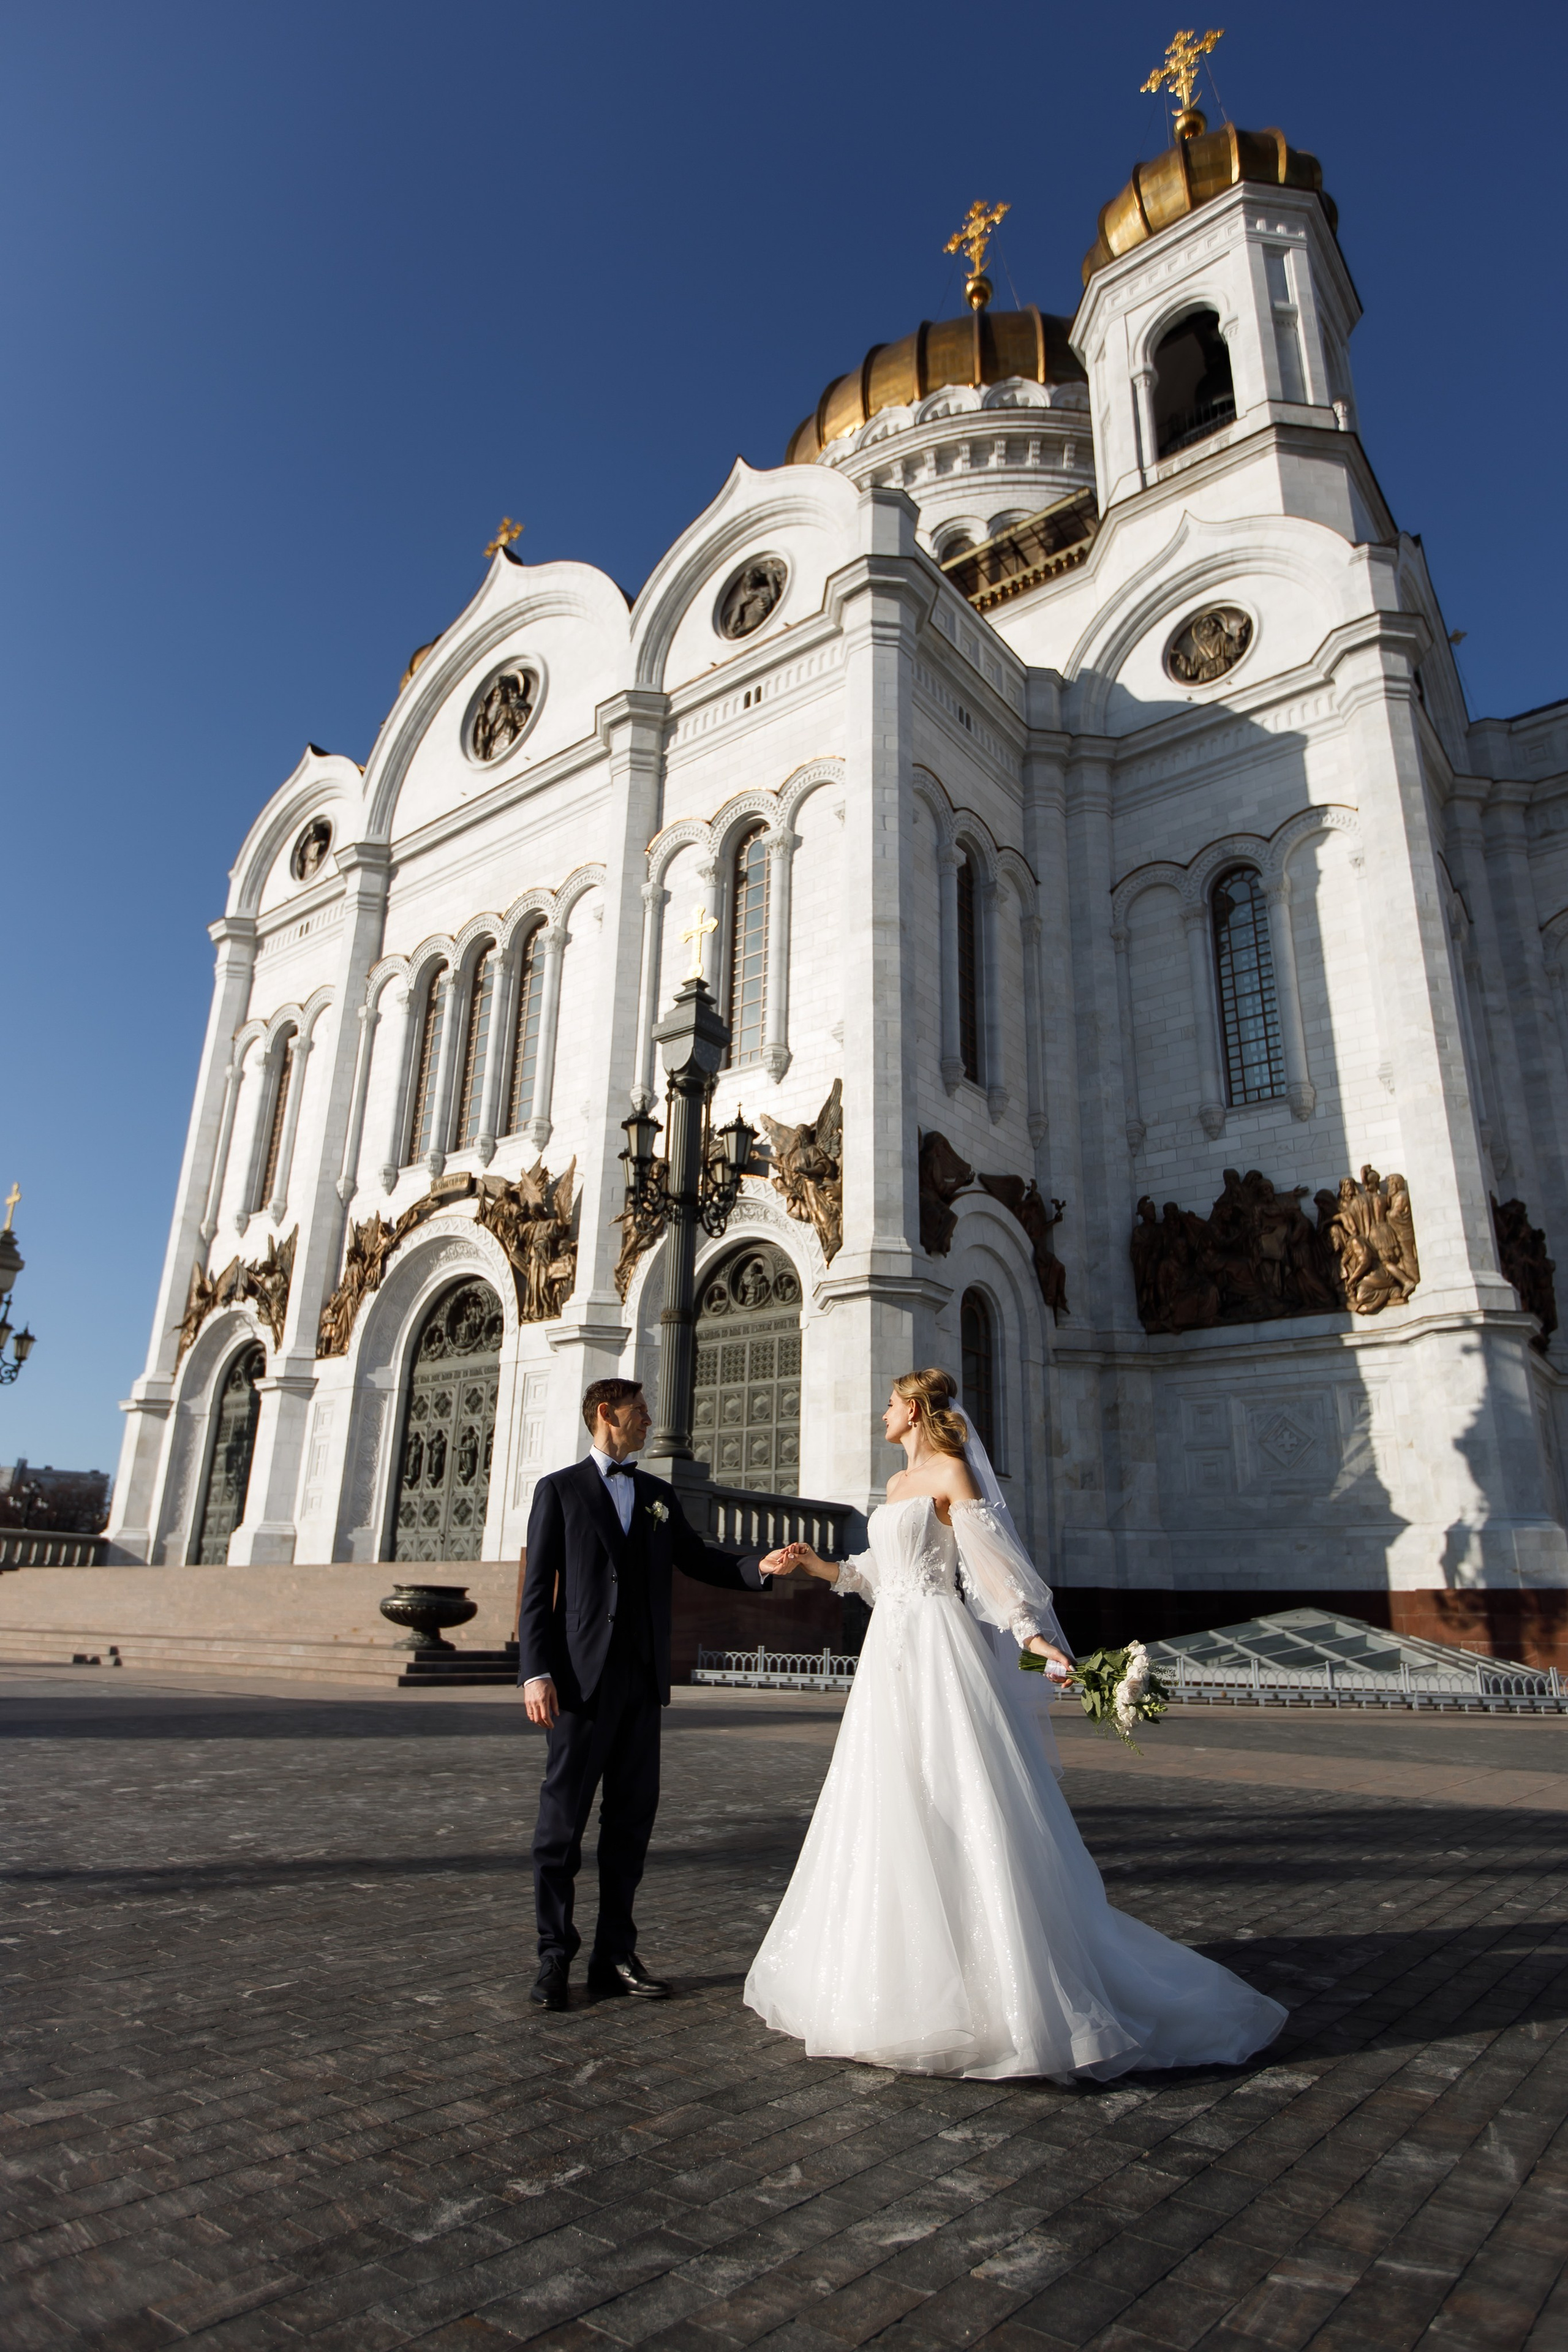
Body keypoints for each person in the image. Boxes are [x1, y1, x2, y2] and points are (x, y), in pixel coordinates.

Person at [747, 1368, 1286, 2082]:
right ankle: (890, 1974)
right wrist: (814, 1566)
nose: (882, 1414)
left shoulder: (954, 1474)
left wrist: (1035, 1640)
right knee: (886, 1794)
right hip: (889, 1655)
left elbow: (993, 1574)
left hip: (938, 1647)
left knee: (958, 1788)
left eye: (890, 1404)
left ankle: (1001, 1982)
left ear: (914, 1411)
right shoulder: (897, 1484)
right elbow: (876, 1577)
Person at [519, 1378, 775, 2011]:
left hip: (641, 1683)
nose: (650, 1421)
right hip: (580, 1687)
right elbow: (538, 1592)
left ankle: (614, 1956)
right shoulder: (559, 1490)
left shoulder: (658, 1496)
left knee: (630, 1825)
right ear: (606, 1414)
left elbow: (699, 1559)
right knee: (560, 1829)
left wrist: (760, 1568)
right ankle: (554, 1956)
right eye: (640, 1411)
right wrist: (536, 1673)